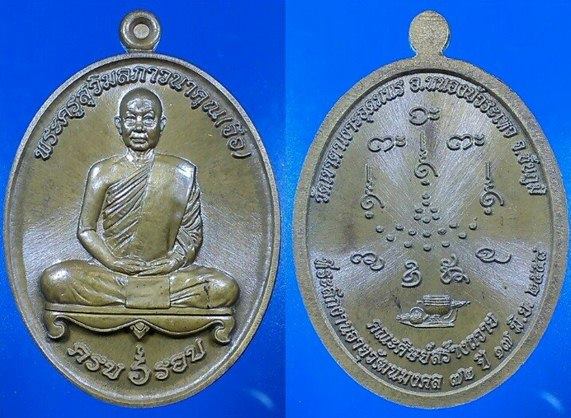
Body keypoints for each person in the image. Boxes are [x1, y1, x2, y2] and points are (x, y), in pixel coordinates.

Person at [40, 87, 239, 310]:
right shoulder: (102, 171)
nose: (139, 127)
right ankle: (148, 297)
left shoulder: (181, 173)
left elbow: (191, 234)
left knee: (224, 287)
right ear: (119, 124)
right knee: (56, 280)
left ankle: (133, 296)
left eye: (148, 118)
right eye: (130, 118)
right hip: (112, 273)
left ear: (161, 124)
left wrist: (171, 262)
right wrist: (113, 262)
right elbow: (86, 229)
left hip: (164, 274)